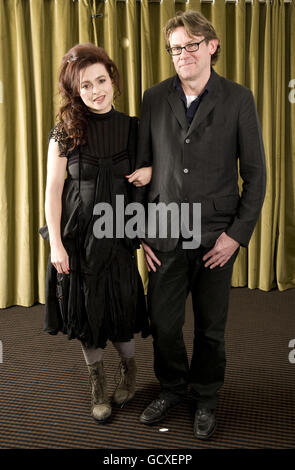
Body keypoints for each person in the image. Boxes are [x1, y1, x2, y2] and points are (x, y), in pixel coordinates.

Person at [134, 10, 266, 439]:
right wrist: (139, 230)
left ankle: (206, 396)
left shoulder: (239, 99)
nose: (182, 54)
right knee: (163, 324)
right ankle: (172, 387)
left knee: (211, 328)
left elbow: (257, 175)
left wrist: (236, 235)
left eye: (191, 44)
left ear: (211, 46)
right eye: (175, 48)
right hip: (165, 233)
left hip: (216, 239)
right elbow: (142, 167)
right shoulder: (153, 97)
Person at [40, 43, 152, 423]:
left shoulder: (133, 127)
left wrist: (149, 170)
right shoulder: (63, 132)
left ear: (112, 79)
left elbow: (150, 179)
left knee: (120, 307)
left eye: (101, 80)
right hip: (77, 239)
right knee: (88, 312)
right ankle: (97, 382)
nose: (96, 90)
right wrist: (56, 243)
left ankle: (130, 369)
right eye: (85, 86)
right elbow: (53, 192)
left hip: (118, 235)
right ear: (75, 91)